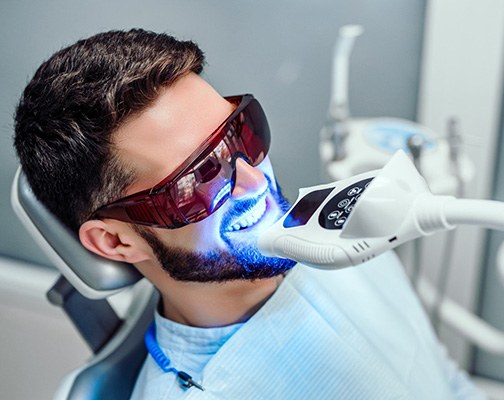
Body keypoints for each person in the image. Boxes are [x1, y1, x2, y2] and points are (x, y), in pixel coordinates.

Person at [13, 29, 486, 400]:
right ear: (117, 241)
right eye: (197, 178)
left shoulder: (346, 230)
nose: (256, 183)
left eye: (242, 134)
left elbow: (442, 379)